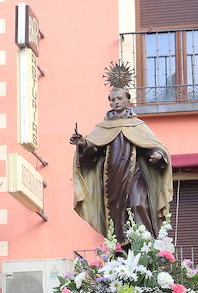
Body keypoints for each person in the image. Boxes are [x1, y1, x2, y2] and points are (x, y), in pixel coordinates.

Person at [70, 83, 171, 244]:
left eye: (119, 98)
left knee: (139, 203)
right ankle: (122, 248)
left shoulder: (138, 125)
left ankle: (145, 244)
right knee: (117, 213)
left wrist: (158, 155)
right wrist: (83, 144)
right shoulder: (103, 127)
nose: (116, 102)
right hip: (112, 178)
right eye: (112, 99)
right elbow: (93, 153)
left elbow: (151, 146)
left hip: (134, 173)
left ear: (127, 100)